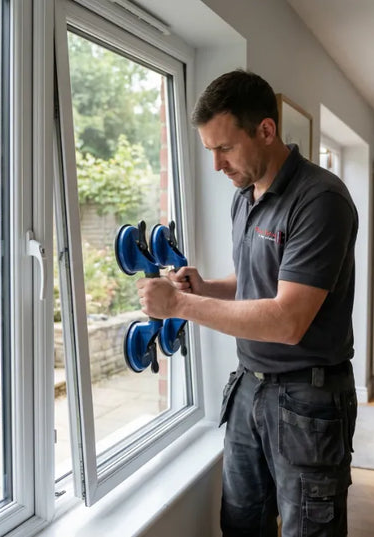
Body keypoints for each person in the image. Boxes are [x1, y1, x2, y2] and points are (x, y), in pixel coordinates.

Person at [137, 69, 359, 537]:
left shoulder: (320, 199)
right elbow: (262, 278)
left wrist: (177, 307)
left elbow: (287, 320)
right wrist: (206, 287)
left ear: (266, 130)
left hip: (308, 399)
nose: (217, 165)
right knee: (241, 523)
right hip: (248, 388)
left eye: (225, 148)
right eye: (209, 151)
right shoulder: (245, 196)